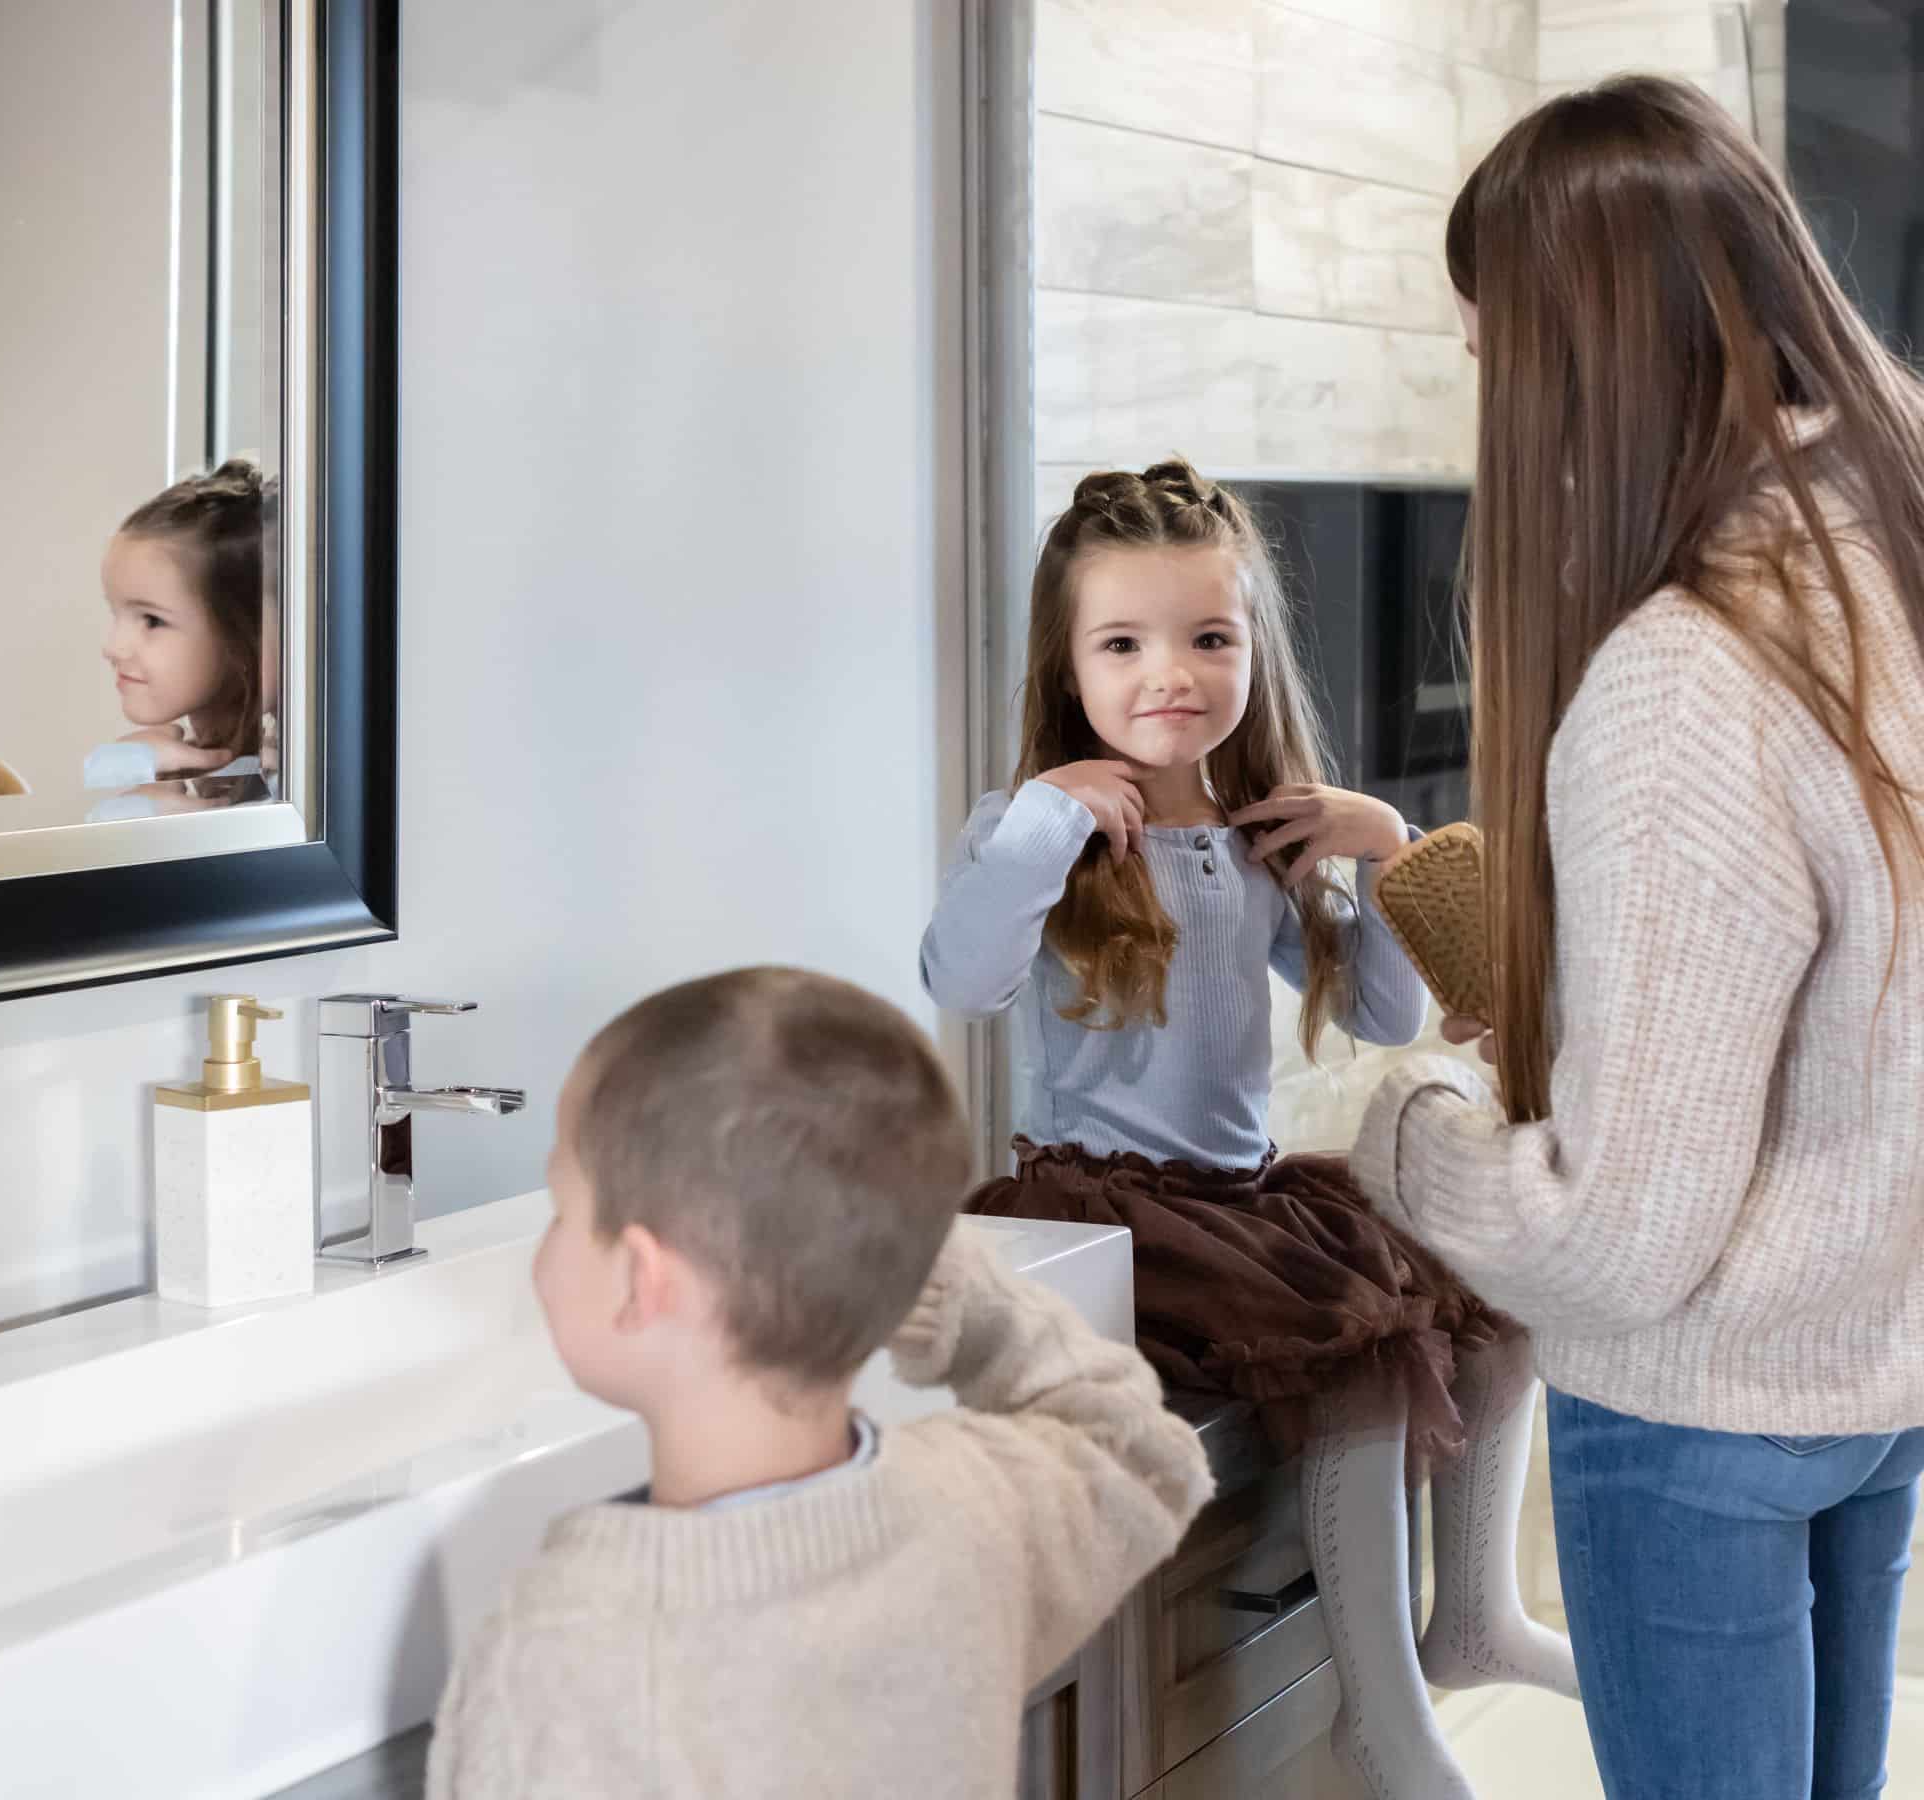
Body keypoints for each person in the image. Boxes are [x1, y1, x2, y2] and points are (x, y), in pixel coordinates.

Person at [1351, 76, 1924, 1800]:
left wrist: (1399, 1131)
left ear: (1571, 356)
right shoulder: (1885, 563)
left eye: (1490, 361)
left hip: (1702, 1417)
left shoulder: (1691, 670)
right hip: (1879, 1368)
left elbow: (1613, 1241)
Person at [923, 460, 1575, 1800]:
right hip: (1102, 1208)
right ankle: (1380, 1715)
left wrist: (1376, 842)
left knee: (1491, 1293)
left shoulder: (1248, 834)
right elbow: (959, 981)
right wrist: (1044, 826)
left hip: (1238, 1196)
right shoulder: (1035, 835)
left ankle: (1474, 1620)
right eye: (1125, 644)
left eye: (1210, 638)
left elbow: (1389, 1007)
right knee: (1358, 1352)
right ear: (1069, 665)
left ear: (1253, 650)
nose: (1172, 673)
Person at [424, 967, 1212, 1799]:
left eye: (560, 1209)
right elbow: (1140, 1450)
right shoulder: (979, 1512)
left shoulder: (557, 1651)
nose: (544, 1246)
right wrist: (907, 1259)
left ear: (640, 1280)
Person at [88, 459, 271, 803]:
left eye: (152, 620)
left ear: (246, 633)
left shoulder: (278, 791)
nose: (112, 647)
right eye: (117, 613)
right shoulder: (199, 768)